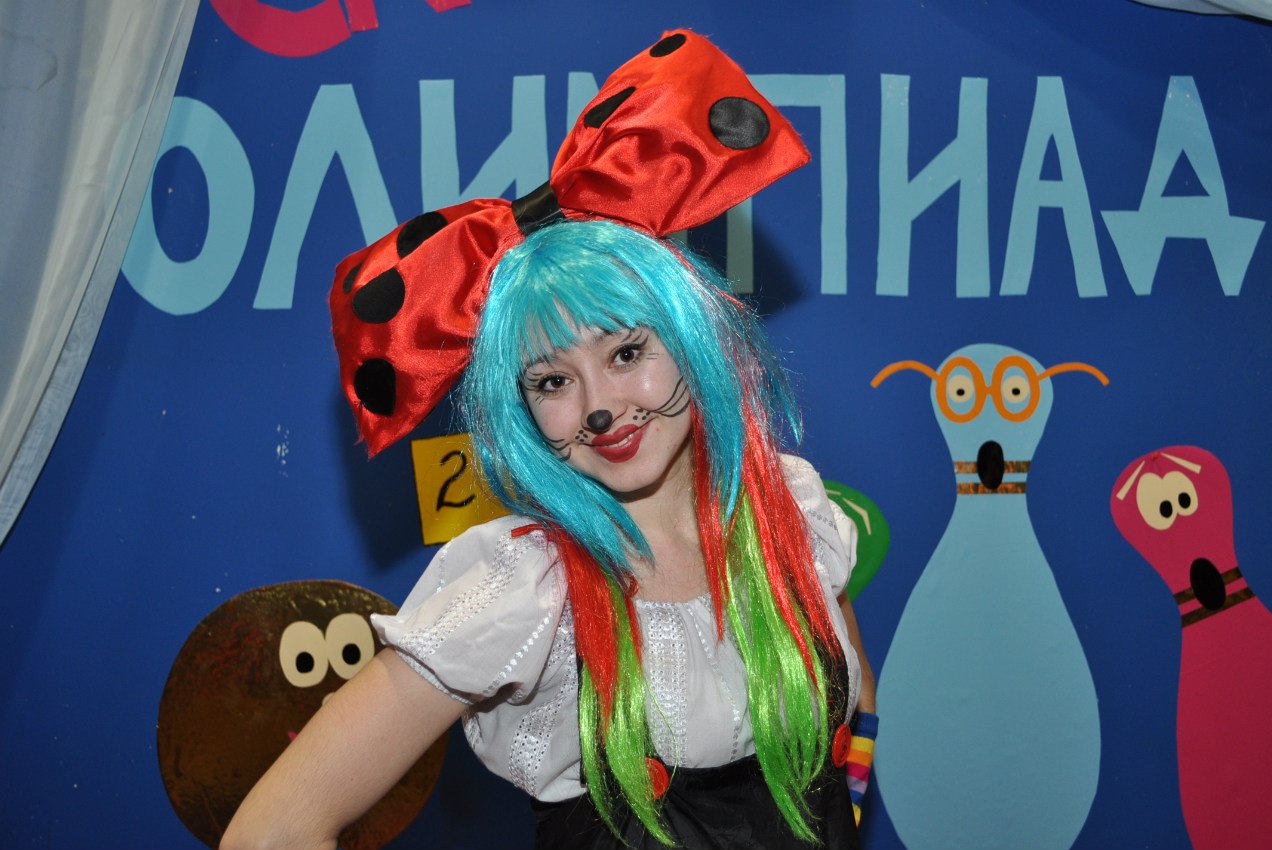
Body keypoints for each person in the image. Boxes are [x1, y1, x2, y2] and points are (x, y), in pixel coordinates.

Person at [222, 29, 876, 850]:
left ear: (692, 339)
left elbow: (856, 702)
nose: (600, 408)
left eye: (626, 353)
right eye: (552, 382)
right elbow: (272, 832)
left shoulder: (792, 512)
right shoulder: (524, 593)